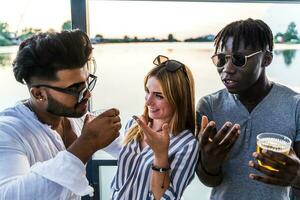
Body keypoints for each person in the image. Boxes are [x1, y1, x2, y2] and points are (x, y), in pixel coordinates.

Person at [0, 30, 121, 199]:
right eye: (74, 89)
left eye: (86, 83)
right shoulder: (7, 132)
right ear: (38, 94)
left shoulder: (74, 117)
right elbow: (8, 195)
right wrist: (86, 145)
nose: (87, 95)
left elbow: (130, 148)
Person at [196, 18, 300, 200]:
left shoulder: (295, 105)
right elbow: (209, 181)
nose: (226, 69)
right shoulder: (209, 106)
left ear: (266, 59)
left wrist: (297, 177)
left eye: (238, 59)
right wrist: (209, 163)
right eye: (221, 59)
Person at [111, 55, 199, 199]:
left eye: (158, 96)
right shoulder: (133, 125)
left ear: (178, 99)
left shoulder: (187, 145)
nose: (148, 102)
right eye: (147, 91)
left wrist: (160, 154)